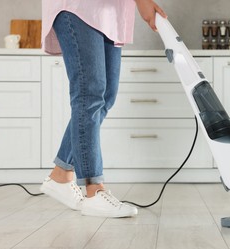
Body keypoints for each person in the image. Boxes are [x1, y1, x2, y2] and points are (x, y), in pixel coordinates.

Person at [40, 0, 167, 218]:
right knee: (88, 94)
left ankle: (61, 175)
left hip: (109, 12)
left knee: (105, 95)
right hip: (79, 7)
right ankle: (94, 190)